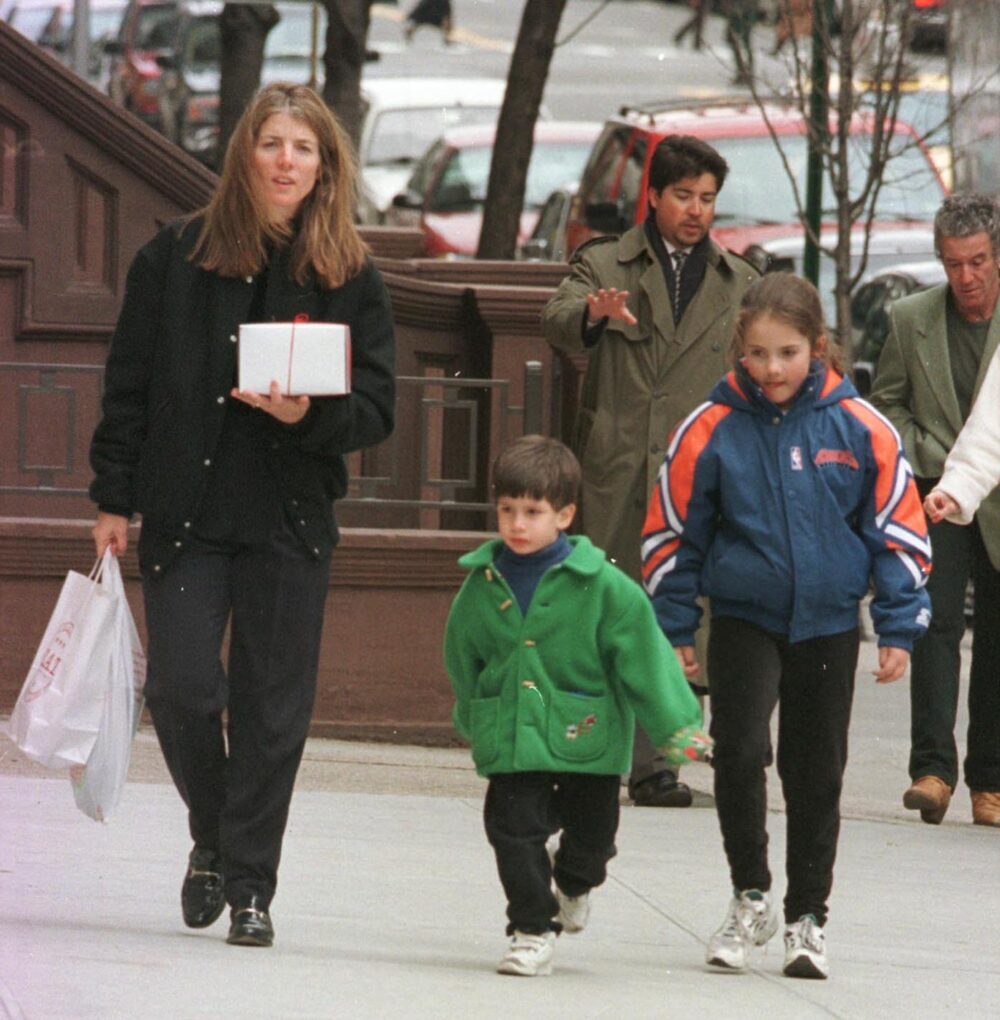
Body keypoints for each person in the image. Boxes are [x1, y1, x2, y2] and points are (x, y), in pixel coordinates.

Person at [89, 82, 396, 947]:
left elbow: (376, 409)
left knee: (272, 711)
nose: (288, 161)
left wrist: (310, 416)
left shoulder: (349, 273)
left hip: (289, 520)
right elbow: (129, 387)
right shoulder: (174, 258)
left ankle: (251, 886)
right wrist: (114, 496)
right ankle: (215, 837)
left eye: (305, 148)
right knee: (181, 687)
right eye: (272, 145)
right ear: (244, 155)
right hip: (187, 512)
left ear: (325, 165)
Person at [641, 274, 931, 979]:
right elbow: (674, 533)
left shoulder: (860, 426)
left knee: (815, 771)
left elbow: (897, 530)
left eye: (788, 353)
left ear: (819, 349)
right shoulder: (709, 427)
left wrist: (898, 626)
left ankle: (807, 916)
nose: (772, 369)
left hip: (830, 624)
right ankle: (750, 895)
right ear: (740, 348)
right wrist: (675, 625)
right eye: (759, 353)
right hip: (744, 618)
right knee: (738, 752)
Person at [543, 134, 758, 808]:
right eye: (684, 196)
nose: (696, 211)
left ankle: (658, 761)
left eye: (707, 199)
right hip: (618, 466)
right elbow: (554, 318)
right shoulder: (606, 263)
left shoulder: (738, 282)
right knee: (607, 609)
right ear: (655, 197)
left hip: (697, 474)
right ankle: (587, 751)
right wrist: (591, 314)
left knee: (681, 611)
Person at [444, 435, 710, 978]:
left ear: (564, 514)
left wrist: (677, 727)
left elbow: (646, 660)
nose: (518, 524)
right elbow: (461, 654)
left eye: (533, 512)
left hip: (585, 739)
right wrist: (472, 712)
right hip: (515, 738)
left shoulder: (605, 587)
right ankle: (530, 929)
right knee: (512, 832)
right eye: (507, 510)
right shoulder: (480, 585)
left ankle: (573, 884)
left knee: (591, 842)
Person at [870, 193, 1000, 829]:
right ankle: (933, 771)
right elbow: (886, 405)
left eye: (977, 261)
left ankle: (991, 782)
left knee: (999, 636)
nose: (966, 277)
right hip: (935, 494)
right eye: (953, 264)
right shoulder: (910, 318)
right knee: (935, 622)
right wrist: (927, 455)